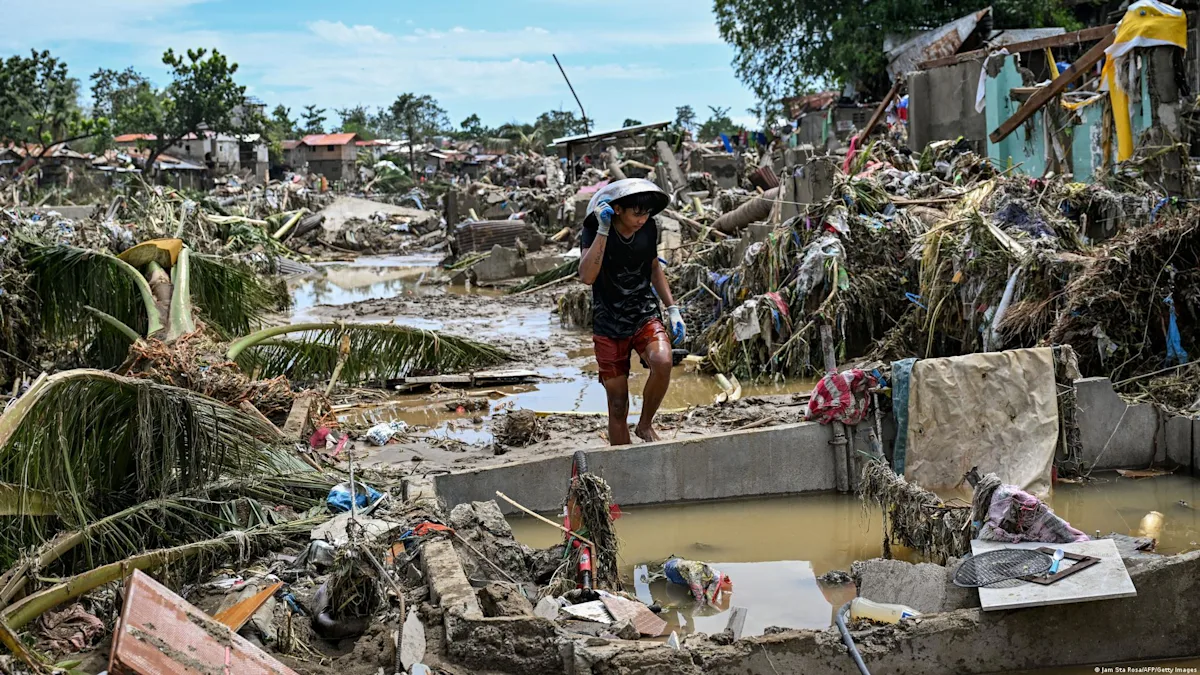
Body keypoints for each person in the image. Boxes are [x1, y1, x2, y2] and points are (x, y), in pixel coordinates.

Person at [578, 178, 686, 445]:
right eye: (637, 213)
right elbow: (587, 276)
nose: (642, 218)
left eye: (647, 212)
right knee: (617, 404)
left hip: (642, 311)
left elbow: (653, 268)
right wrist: (603, 230)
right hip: (608, 320)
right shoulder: (593, 229)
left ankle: (645, 425)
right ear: (617, 209)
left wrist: (672, 309)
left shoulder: (649, 228)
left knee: (662, 361)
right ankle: (623, 464)